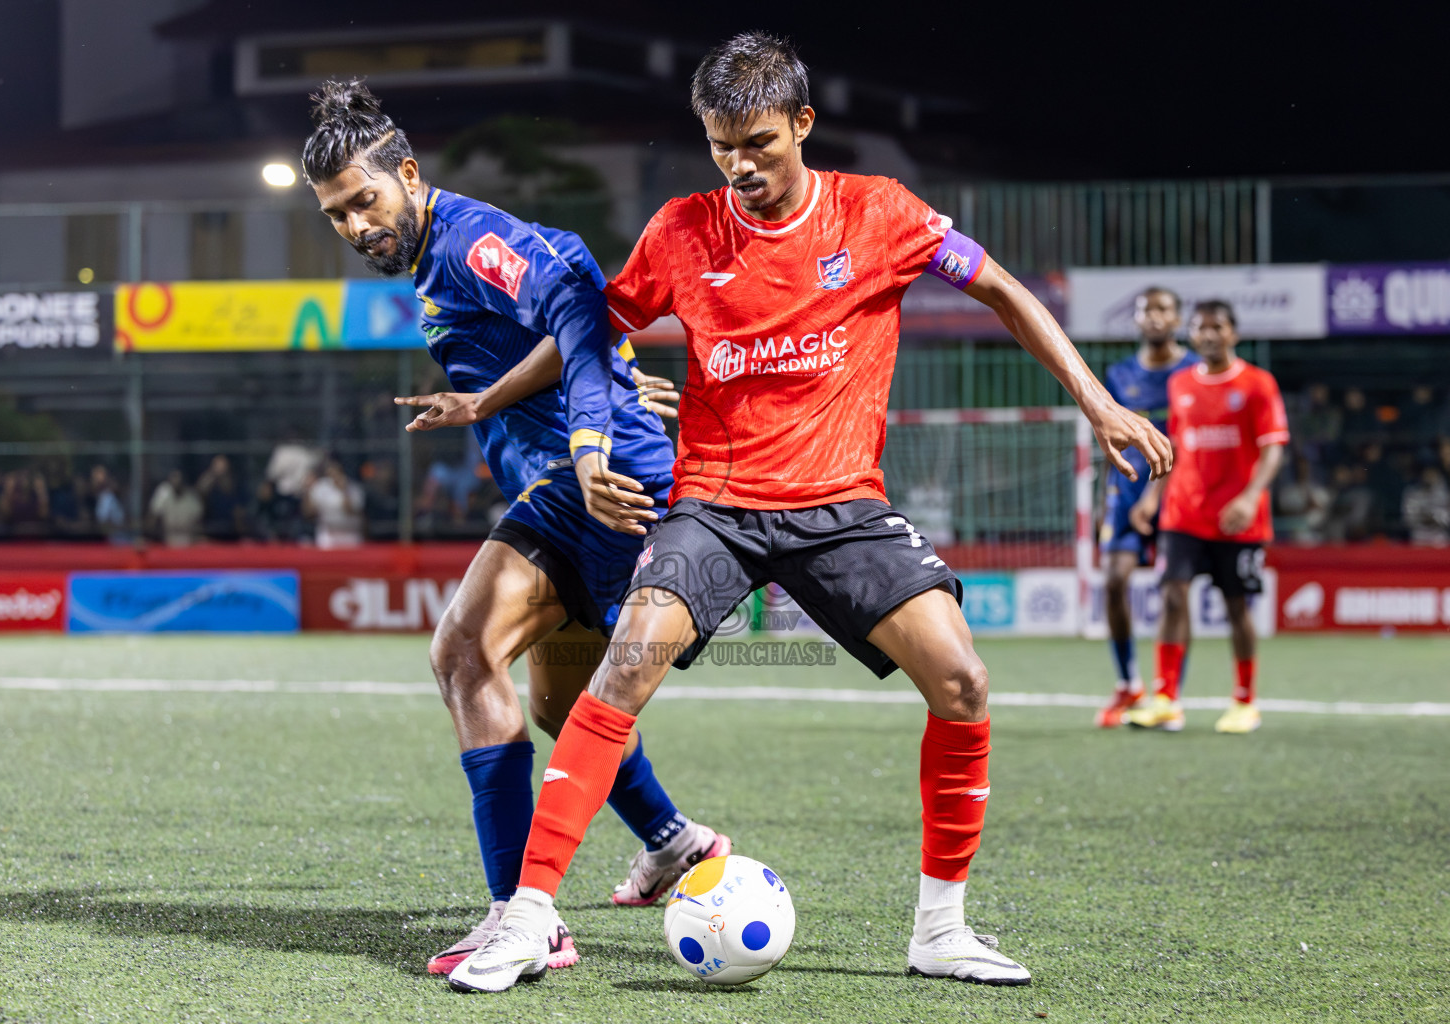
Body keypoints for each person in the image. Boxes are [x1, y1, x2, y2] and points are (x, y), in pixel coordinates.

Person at [447, 33, 1171, 993]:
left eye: (758, 142)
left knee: (961, 680)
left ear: (802, 124)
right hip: (713, 504)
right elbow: (591, 331)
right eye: (720, 146)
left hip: (841, 506)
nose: (740, 166)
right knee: (617, 676)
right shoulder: (682, 230)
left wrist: (1097, 399)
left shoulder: (880, 213)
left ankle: (941, 931)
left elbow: (998, 286)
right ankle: (528, 921)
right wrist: (489, 399)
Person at [302, 79, 724, 975]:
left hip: (592, 480)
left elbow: (573, 287)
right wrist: (528, 392)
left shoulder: (464, 240)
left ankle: (521, 917)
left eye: (365, 200)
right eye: (336, 214)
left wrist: (586, 435)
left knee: (462, 651)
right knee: (560, 700)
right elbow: (573, 326)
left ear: (409, 175)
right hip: (588, 469)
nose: (354, 225)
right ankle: (675, 841)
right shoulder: (430, 256)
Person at [1127, 300, 1288, 735]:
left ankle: (1245, 701)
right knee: (1173, 594)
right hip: (1183, 512)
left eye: (1218, 327)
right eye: (1202, 328)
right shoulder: (1181, 383)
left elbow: (1273, 446)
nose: (1210, 334)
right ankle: (1166, 699)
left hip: (1237, 518)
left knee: (1237, 606)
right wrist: (1150, 496)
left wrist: (1251, 496)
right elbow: (1176, 446)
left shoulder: (1257, 384)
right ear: (1193, 335)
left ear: (1233, 333)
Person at [1094, 287, 1200, 728]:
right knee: (1115, 582)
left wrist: (1157, 497)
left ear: (1176, 319)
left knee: (1175, 592)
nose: (1155, 317)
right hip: (1127, 492)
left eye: (1164, 310)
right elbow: (1111, 440)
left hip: (1177, 494)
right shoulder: (1119, 375)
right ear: (1137, 320)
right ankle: (1129, 683)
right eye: (1147, 311)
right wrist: (1107, 500)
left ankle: (1169, 696)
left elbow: (1189, 442)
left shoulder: (1194, 371)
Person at [304, 458, 364, 549]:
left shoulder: (354, 488)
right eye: (331, 471)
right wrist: (308, 490)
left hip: (350, 535)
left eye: (337, 472)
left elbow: (350, 511)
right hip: (328, 535)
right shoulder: (321, 487)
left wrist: (344, 491)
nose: (334, 475)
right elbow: (309, 513)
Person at [148, 469, 202, 547]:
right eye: (174, 478)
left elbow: (199, 521)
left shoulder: (192, 497)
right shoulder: (163, 493)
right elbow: (152, 517)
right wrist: (149, 537)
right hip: (168, 541)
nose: (176, 482)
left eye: (179, 479)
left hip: (188, 542)